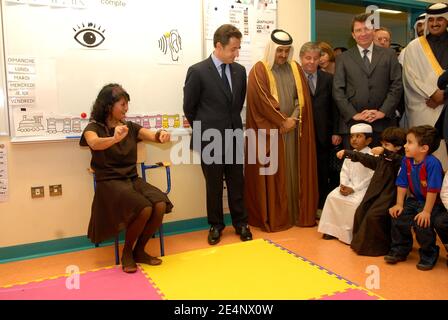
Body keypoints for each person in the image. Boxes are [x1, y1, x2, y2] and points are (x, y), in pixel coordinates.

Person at [80, 83, 173, 273]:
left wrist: (161, 134)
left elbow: (151, 135)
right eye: (122, 104)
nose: (126, 109)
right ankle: (127, 252)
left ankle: (140, 250)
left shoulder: (129, 127)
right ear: (108, 106)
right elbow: (94, 143)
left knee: (160, 203)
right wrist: (114, 139)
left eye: (127, 104)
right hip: (109, 183)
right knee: (144, 207)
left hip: (131, 179)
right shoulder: (93, 127)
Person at [183, 24, 252, 244]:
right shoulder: (198, 71)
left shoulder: (240, 71)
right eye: (233, 49)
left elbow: (238, 103)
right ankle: (215, 225)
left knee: (236, 183)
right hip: (209, 139)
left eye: (238, 48)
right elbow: (189, 107)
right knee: (213, 185)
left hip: (234, 136)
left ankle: (241, 223)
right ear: (219, 46)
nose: (236, 53)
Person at [244, 29, 318, 232]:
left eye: (286, 51)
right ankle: (279, 216)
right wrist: (281, 121)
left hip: (294, 130)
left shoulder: (295, 68)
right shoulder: (259, 70)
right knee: (277, 173)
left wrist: (292, 119)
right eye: (280, 51)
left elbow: (301, 98)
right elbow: (262, 101)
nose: (283, 56)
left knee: (295, 172)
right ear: (271, 49)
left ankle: (296, 214)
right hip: (272, 134)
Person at [333, 13, 403, 148]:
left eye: (366, 29)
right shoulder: (343, 58)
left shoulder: (389, 55)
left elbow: (397, 85)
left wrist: (383, 111)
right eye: (358, 30)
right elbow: (338, 91)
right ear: (353, 35)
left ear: (373, 31)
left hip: (383, 124)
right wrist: (354, 114)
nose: (363, 33)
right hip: (353, 125)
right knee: (354, 167)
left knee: (384, 167)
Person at [337, 127, 407, 256]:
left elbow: (397, 159)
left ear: (397, 147)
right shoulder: (382, 159)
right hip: (376, 193)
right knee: (360, 211)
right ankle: (360, 244)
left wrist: (384, 151)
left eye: (387, 145)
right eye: (382, 144)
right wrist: (348, 153)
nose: (383, 147)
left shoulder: (401, 160)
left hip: (389, 196)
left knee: (373, 217)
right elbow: (366, 159)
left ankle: (379, 248)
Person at [386, 125, 445, 271]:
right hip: (415, 200)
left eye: (409, 142)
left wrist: (426, 212)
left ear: (424, 148)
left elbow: (433, 190)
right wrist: (399, 204)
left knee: (422, 222)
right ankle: (400, 249)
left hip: (432, 203)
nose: (405, 145)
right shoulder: (407, 161)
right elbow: (401, 183)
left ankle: (429, 254)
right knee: (398, 216)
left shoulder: (433, 164)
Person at [402, 3, 448, 168]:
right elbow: (410, 76)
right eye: (432, 20)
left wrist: (444, 96)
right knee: (423, 154)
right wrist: (431, 93)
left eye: (440, 19)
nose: (435, 23)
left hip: (446, 108)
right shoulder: (414, 47)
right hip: (424, 106)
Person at [299, 42, 341, 211]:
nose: (311, 62)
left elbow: (335, 107)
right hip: (301, 135)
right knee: (302, 172)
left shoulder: (328, 79)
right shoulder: (295, 79)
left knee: (322, 173)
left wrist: (336, 131)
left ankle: (320, 207)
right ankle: (303, 207)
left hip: (324, 135)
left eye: (315, 58)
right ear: (301, 58)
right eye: (308, 58)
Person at [318, 123, 374, 244]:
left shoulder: (371, 156)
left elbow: (370, 178)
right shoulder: (349, 154)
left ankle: (347, 234)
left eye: (358, 136)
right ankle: (331, 230)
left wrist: (353, 189)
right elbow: (344, 172)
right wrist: (343, 185)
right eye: (352, 136)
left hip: (362, 189)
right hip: (347, 187)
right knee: (332, 197)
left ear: (368, 140)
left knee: (354, 203)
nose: (354, 139)